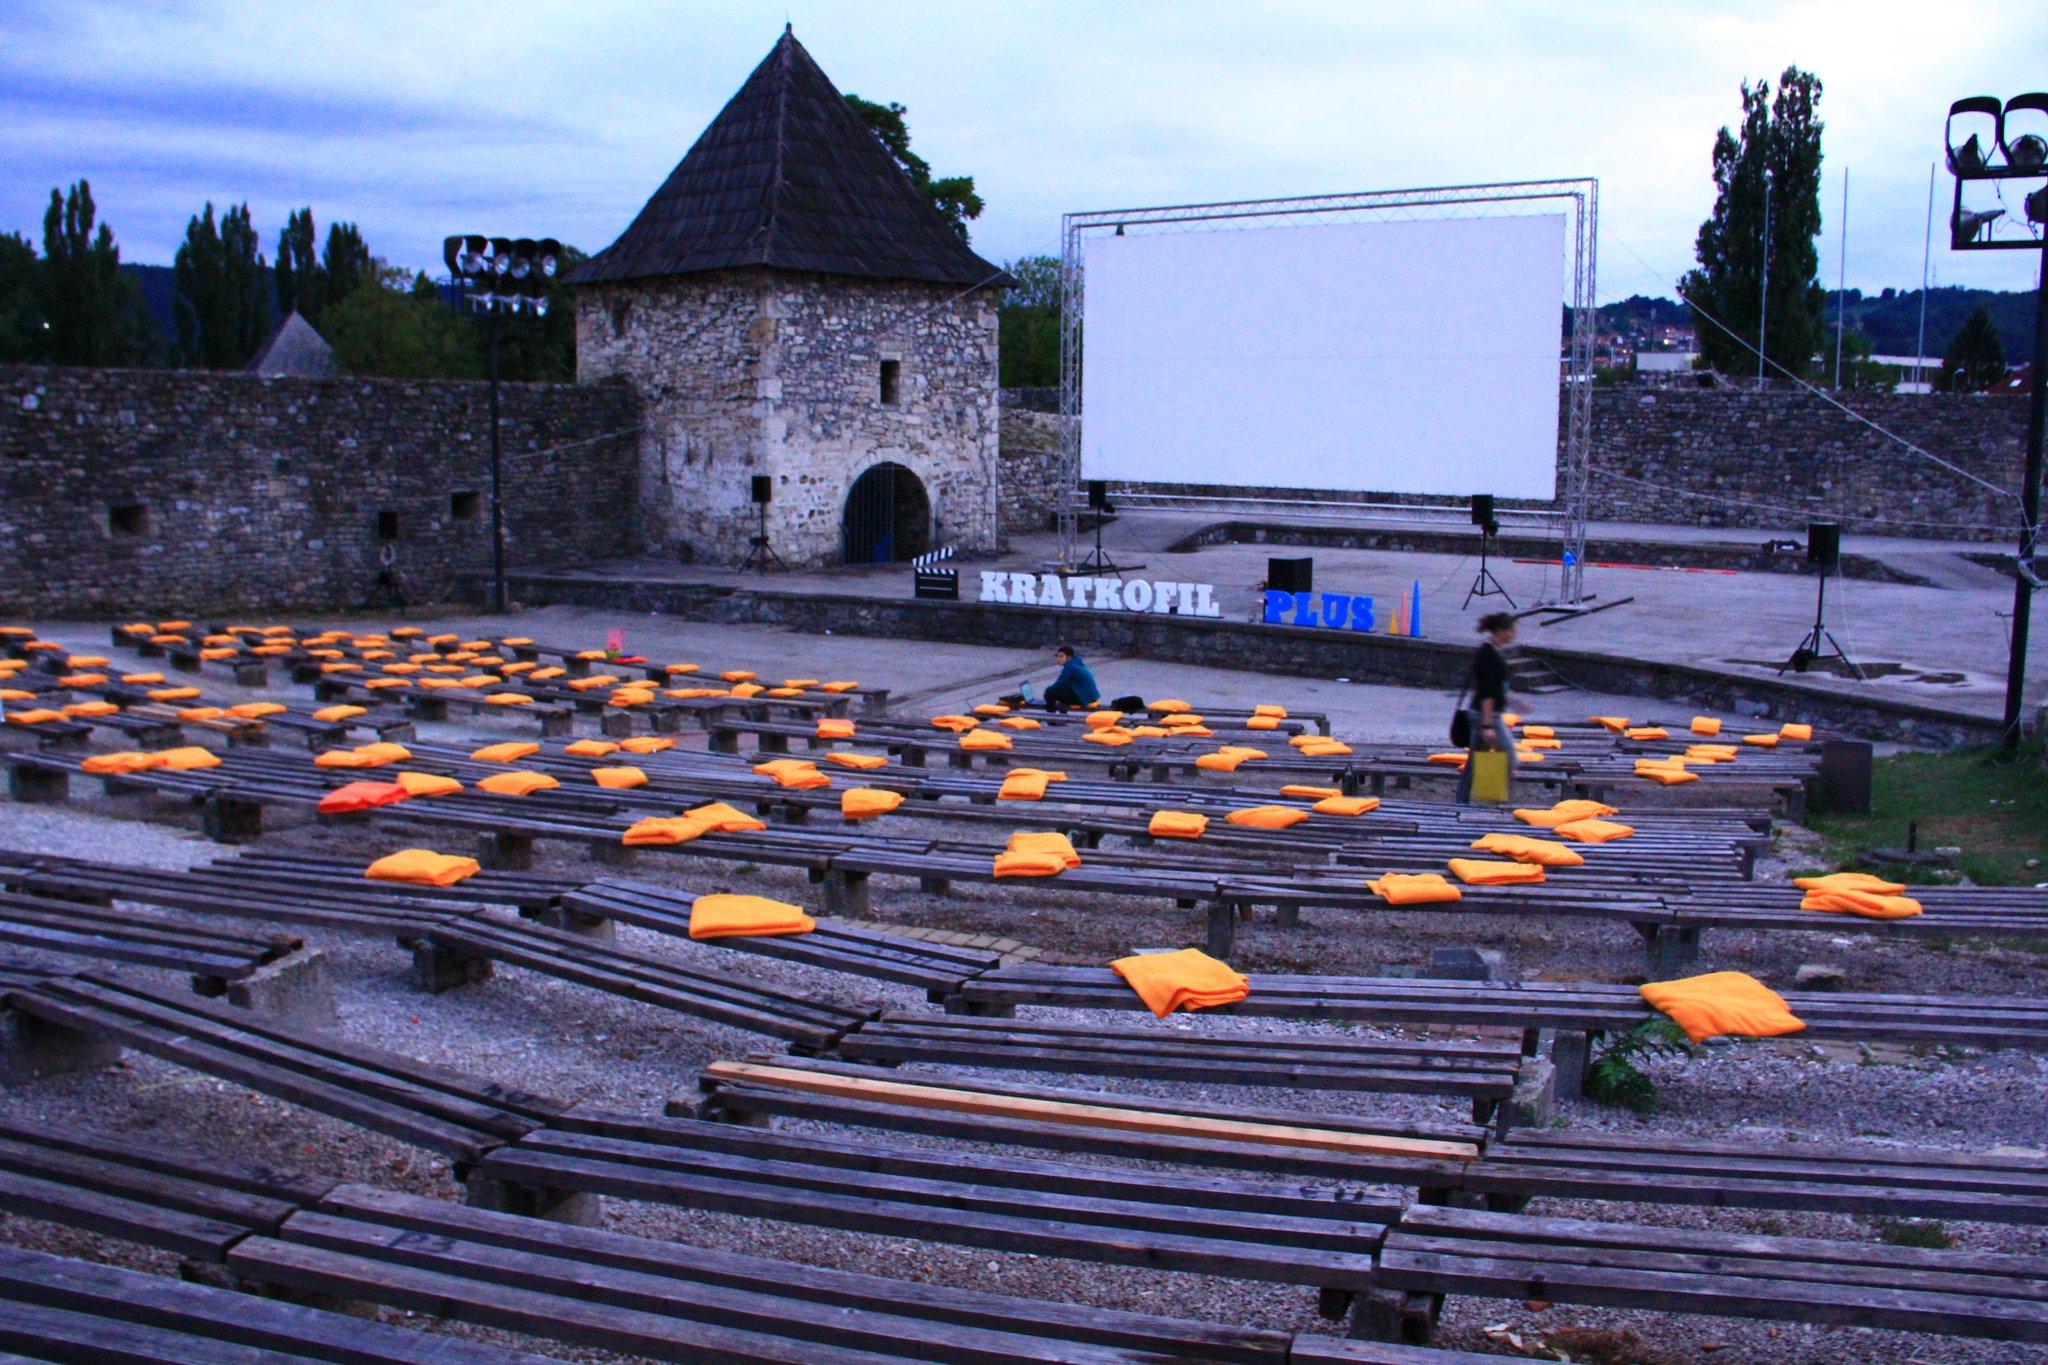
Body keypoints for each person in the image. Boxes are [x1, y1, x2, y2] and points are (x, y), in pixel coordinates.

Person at [1455, 611, 1516, 805]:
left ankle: (1463, 802)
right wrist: (1488, 725)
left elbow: (1495, 688)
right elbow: (1487, 693)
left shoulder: (1491, 651)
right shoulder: (1488, 655)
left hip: (1485, 714)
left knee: (1474, 762)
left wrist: (1511, 700)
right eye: (1511, 631)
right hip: (1486, 716)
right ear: (1500, 631)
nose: (1513, 635)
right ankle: (1491, 801)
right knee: (1509, 755)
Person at [1042, 644, 1100, 713]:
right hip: (1091, 697)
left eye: (1061, 656)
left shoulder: (1070, 667)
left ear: (1069, 658)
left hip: (1085, 698)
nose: (1058, 658)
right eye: (1057, 656)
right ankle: (1061, 715)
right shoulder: (1077, 663)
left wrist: (1047, 689)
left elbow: (1059, 684)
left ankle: (1051, 716)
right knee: (1061, 693)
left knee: (1049, 693)